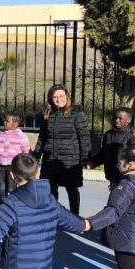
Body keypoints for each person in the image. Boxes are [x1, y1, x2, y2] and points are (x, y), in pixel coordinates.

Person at [33, 84, 90, 215]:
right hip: (50, 158)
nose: (59, 99)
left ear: (67, 96)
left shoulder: (77, 113)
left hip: (70, 159)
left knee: (72, 189)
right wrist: (36, 156)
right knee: (51, 188)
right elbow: (42, 137)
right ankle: (52, 215)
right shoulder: (47, 114)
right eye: (55, 97)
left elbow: (84, 136)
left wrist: (86, 157)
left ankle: (74, 217)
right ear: (50, 99)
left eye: (62, 96)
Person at [0, 113, 31, 198]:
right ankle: (3, 206)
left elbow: (26, 150)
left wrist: (25, 163)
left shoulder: (21, 136)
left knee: (11, 186)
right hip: (1, 164)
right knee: (2, 185)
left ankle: (11, 206)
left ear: (15, 123)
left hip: (13, 166)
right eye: (4, 121)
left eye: (7, 121)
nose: (4, 122)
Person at [89, 108, 134, 189]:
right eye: (116, 118)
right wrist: (94, 162)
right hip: (112, 177)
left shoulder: (133, 136)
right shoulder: (108, 134)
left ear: (128, 120)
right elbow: (104, 153)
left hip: (126, 179)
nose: (117, 120)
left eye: (120, 118)